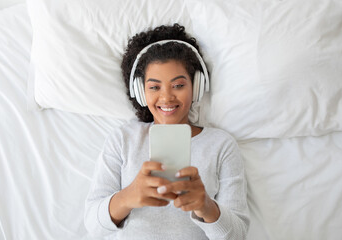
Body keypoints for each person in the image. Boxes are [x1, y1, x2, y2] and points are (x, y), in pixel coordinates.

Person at [84, 23, 249, 240]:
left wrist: (206, 206)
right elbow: (93, 226)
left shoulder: (221, 145)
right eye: (154, 87)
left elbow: (237, 235)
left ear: (196, 86)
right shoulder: (123, 139)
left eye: (178, 85)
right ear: (140, 92)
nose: (167, 97)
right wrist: (128, 197)